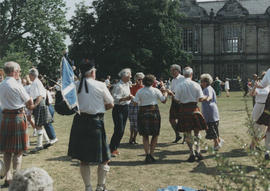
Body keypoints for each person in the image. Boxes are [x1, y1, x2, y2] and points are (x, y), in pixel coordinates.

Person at [68, 61, 114, 191]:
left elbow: (69, 104)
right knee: (104, 158)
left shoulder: (75, 85)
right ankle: (100, 187)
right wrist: (99, 108)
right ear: (93, 72)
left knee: (84, 159)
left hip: (80, 121)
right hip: (96, 122)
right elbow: (111, 104)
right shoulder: (100, 85)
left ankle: (88, 187)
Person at [0, 61, 35, 188]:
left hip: (5, 118)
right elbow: (29, 102)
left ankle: (8, 177)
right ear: (14, 72)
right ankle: (16, 178)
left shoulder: (1, 84)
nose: (20, 73)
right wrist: (32, 104)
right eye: (19, 71)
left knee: (7, 151)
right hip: (17, 117)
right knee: (18, 151)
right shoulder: (17, 85)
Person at [172, 67, 208, 162]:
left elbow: (176, 99)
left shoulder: (179, 85)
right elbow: (200, 99)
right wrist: (205, 98)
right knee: (197, 133)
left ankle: (191, 153)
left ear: (184, 75)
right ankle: (198, 151)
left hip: (184, 110)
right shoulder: (196, 85)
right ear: (192, 74)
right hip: (194, 109)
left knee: (187, 133)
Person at [133, 74, 167, 163]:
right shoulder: (156, 90)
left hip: (143, 112)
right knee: (155, 134)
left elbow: (135, 103)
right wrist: (165, 93)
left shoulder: (140, 91)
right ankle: (151, 154)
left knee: (145, 135)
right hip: (154, 112)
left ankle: (147, 155)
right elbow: (163, 101)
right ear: (152, 82)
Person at [110, 68, 133, 157]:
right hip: (118, 108)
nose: (130, 77)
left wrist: (131, 99)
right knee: (118, 129)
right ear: (124, 76)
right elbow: (115, 98)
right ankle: (112, 149)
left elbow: (128, 96)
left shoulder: (127, 84)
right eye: (129, 75)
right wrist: (125, 98)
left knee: (122, 130)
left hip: (125, 108)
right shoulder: (118, 86)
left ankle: (114, 148)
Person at [28, 68, 52, 152]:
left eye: (29, 75)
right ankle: (48, 140)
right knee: (40, 124)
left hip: (39, 103)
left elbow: (40, 96)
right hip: (39, 103)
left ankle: (39, 145)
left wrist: (34, 105)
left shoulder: (36, 83)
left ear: (32, 75)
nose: (28, 76)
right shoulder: (36, 82)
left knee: (38, 125)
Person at [200, 74, 224, 151]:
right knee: (213, 127)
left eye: (202, 81)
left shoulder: (207, 89)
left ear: (206, 82)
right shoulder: (207, 88)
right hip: (210, 111)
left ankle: (216, 144)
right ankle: (219, 140)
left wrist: (206, 98)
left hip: (210, 111)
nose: (201, 83)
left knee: (211, 127)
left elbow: (209, 96)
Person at [251, 71, 270, 159]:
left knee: (263, 128)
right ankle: (252, 144)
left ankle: (256, 144)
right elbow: (251, 94)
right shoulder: (259, 85)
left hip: (266, 107)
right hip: (258, 106)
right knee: (256, 126)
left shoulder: (268, 87)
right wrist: (255, 86)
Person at [168, 64, 184, 143]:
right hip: (174, 100)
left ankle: (185, 137)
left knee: (182, 119)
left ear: (177, 70)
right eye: (171, 70)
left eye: (172, 70)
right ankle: (178, 135)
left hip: (181, 101)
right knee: (171, 119)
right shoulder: (173, 80)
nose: (171, 72)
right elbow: (172, 90)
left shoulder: (183, 79)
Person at [128, 72, 144, 144]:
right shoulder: (132, 87)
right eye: (138, 79)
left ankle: (134, 138)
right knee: (132, 123)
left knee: (138, 123)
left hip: (140, 106)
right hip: (132, 106)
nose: (140, 81)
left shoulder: (144, 88)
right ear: (135, 79)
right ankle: (131, 137)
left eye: (141, 79)